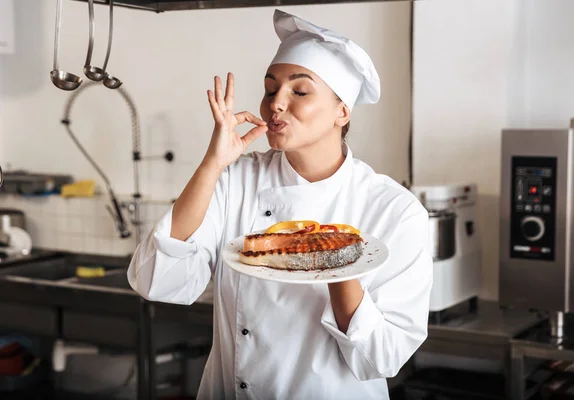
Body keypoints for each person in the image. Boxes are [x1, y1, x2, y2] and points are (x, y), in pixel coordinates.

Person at [128, 9, 433, 400]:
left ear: (343, 111)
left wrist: (336, 259)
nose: (276, 104)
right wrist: (212, 164)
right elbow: (159, 282)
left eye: (299, 92)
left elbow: (381, 359)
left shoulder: (394, 210)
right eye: (271, 89)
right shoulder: (236, 179)